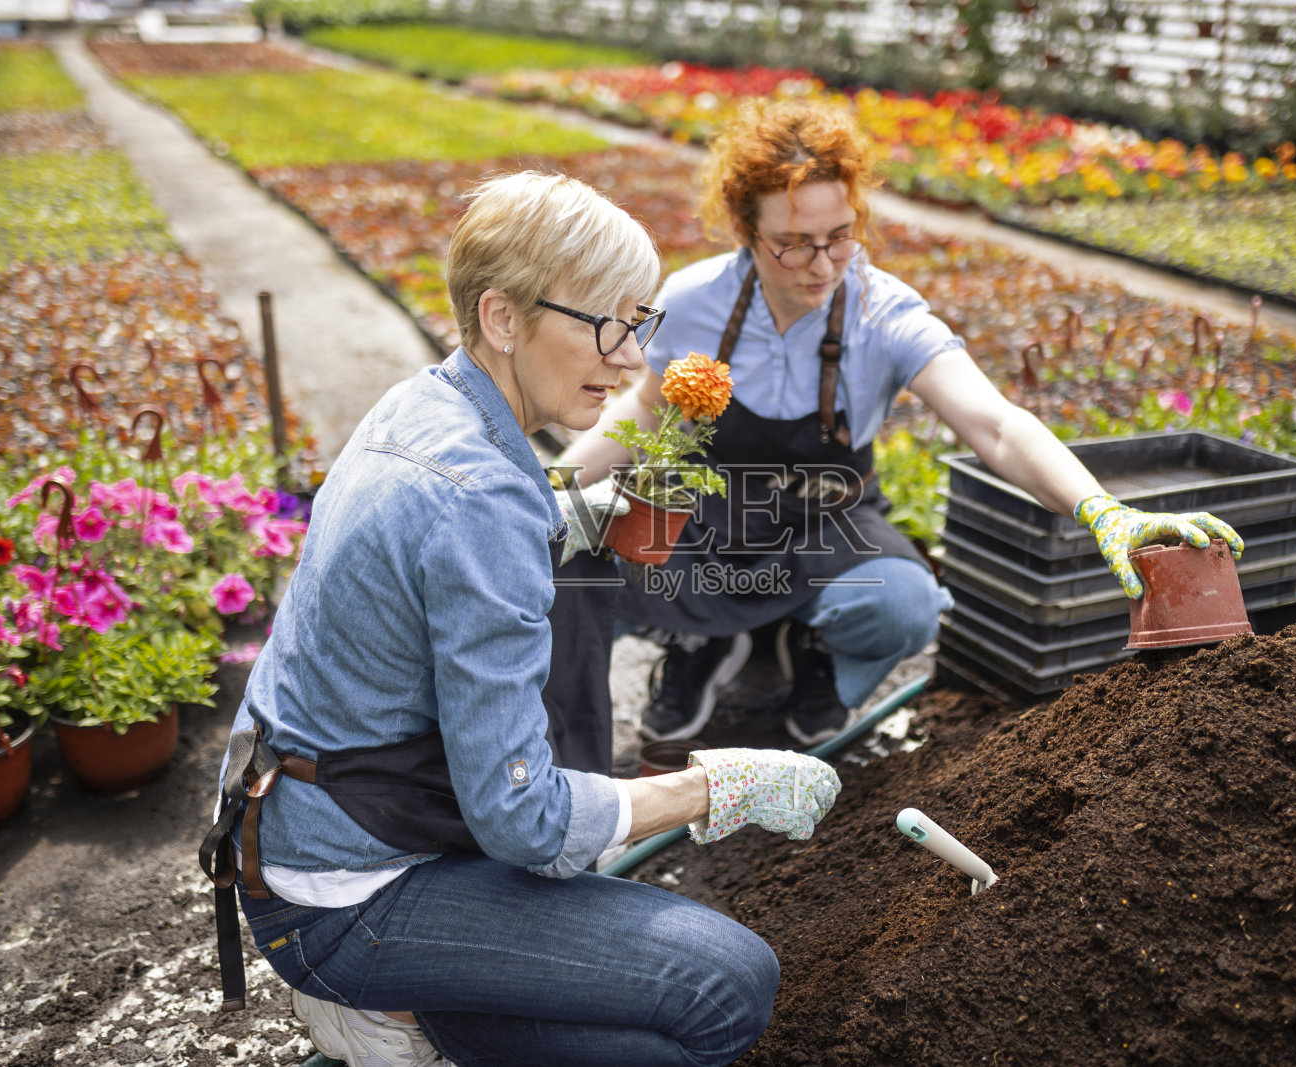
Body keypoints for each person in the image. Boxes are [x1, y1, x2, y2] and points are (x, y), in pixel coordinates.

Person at [198, 172, 842, 1067]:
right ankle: (371, 1001)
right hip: (344, 893)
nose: (630, 360)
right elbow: (523, 821)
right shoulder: (480, 498)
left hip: (311, 818)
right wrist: (718, 787)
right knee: (727, 986)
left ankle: (438, 1010)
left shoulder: (428, 403)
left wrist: (578, 511)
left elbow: (459, 545)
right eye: (609, 324)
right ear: (502, 317)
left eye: (640, 322)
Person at [557, 99, 1245, 746]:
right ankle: (701, 644)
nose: (822, 265)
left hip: (822, 522)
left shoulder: (883, 314)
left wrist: (1101, 510)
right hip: (710, 517)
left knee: (905, 605)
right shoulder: (695, 299)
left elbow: (996, 424)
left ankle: (814, 652)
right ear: (747, 230)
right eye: (793, 244)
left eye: (839, 238)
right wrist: (547, 486)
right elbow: (642, 409)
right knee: (578, 549)